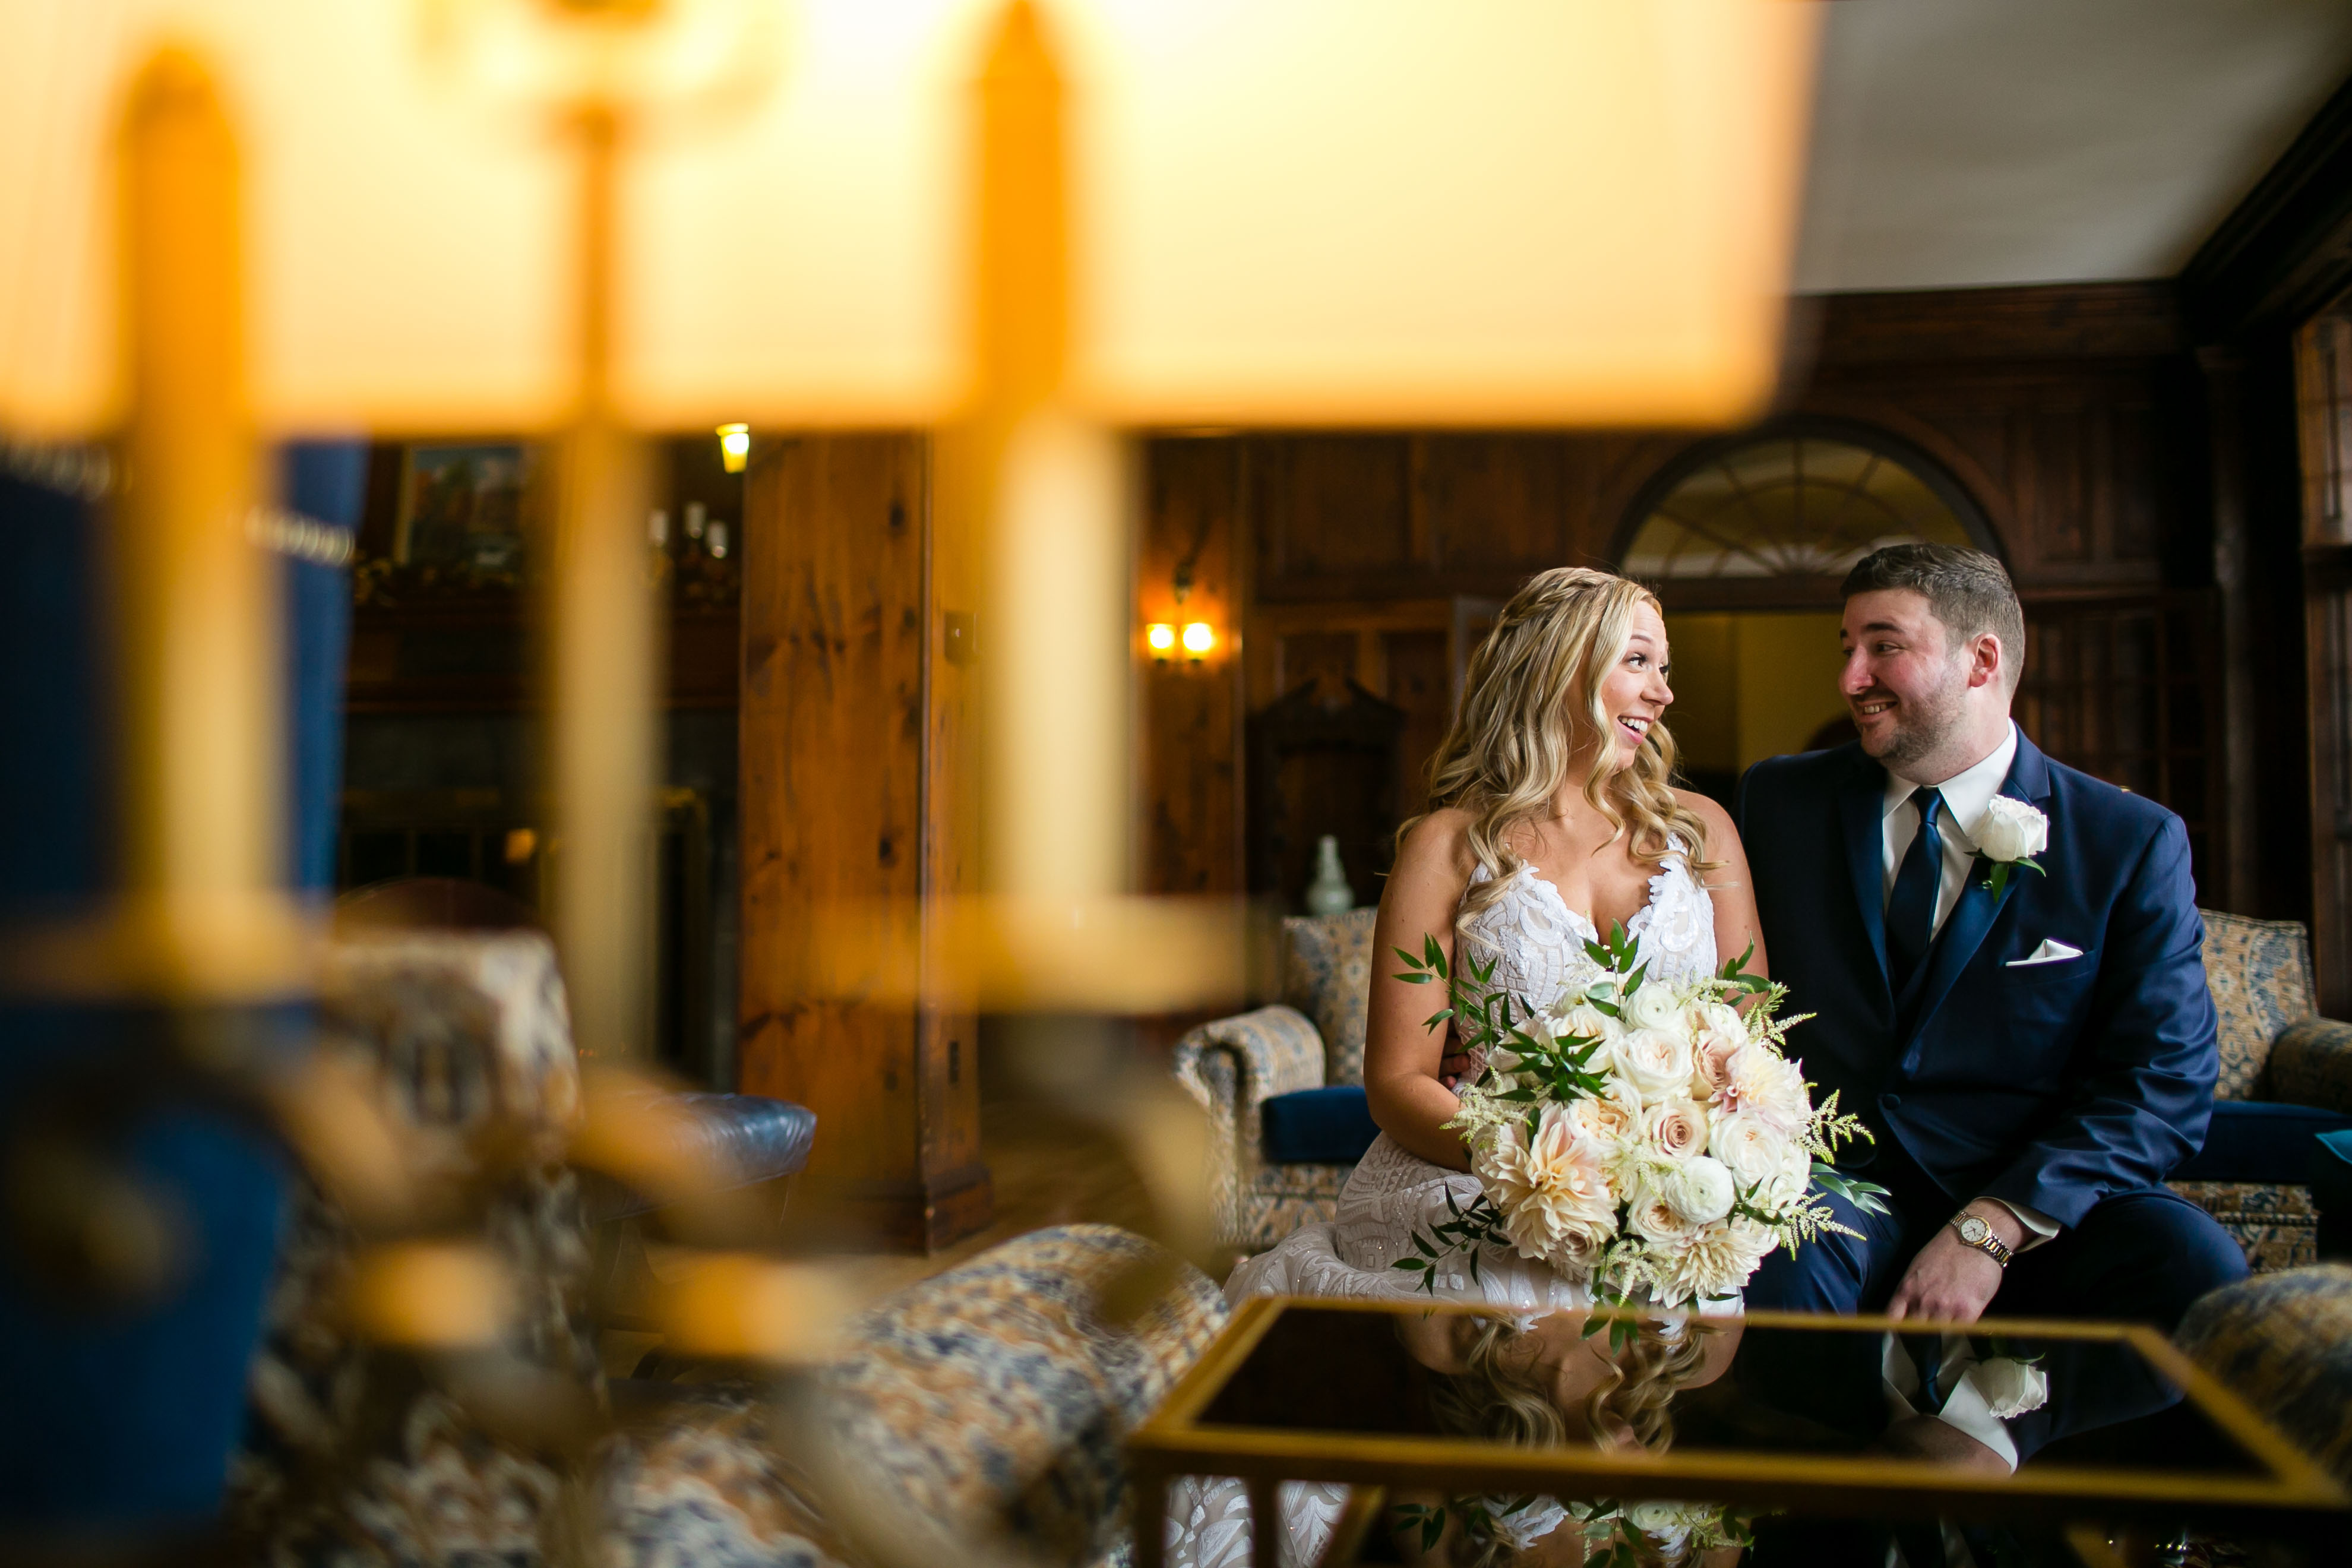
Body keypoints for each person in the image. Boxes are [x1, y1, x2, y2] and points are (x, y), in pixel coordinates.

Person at [1160, 567, 1761, 1567]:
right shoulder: (1450, 846)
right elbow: (1399, 1082)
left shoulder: (1704, 834)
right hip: (1469, 1178)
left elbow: (1747, 1026)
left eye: (1667, 668)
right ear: (1560, 672)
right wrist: (1540, 1168)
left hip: (1669, 1198)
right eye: (1640, 662)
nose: (1663, 691)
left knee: (1673, 1372)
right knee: (1514, 1332)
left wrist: (1694, 1157)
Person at [1735, 543, 2247, 1468]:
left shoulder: (2127, 841)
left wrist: (1995, 1224)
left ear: (1982, 661)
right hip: (1837, 1189)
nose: (1852, 677)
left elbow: (2163, 1083)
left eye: (1883, 646)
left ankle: (1984, 1440)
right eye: (1845, 645)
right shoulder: (1777, 804)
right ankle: (1849, 1477)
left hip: (2033, 1197)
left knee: (2195, 1270)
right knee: (1771, 1255)